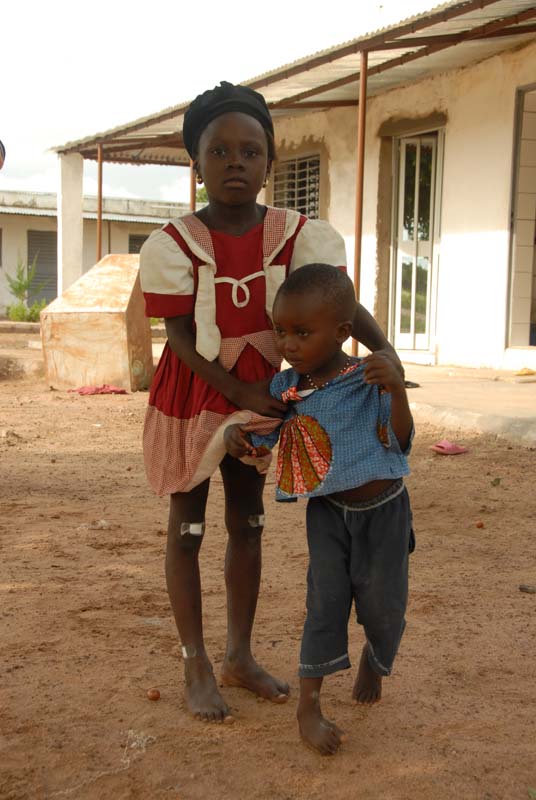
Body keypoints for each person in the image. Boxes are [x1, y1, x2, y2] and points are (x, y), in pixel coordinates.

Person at [139, 81, 400, 724]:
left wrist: (384, 352)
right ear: (195, 163)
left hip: (263, 387)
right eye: (220, 151)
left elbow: (344, 305)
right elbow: (178, 339)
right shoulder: (172, 245)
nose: (236, 162)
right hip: (197, 392)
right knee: (188, 524)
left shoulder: (298, 236)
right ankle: (194, 658)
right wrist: (240, 393)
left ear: (269, 162)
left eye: (251, 151)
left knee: (248, 520)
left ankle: (239, 654)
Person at [224, 263, 414, 754]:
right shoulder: (285, 389)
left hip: (385, 512)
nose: (288, 344)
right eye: (281, 331)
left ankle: (375, 654)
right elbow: (258, 429)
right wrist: (236, 438)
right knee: (324, 605)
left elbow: (401, 439)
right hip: (327, 514)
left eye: (303, 333)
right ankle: (309, 704)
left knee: (383, 608)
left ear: (343, 333)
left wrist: (396, 388)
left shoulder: (369, 376)